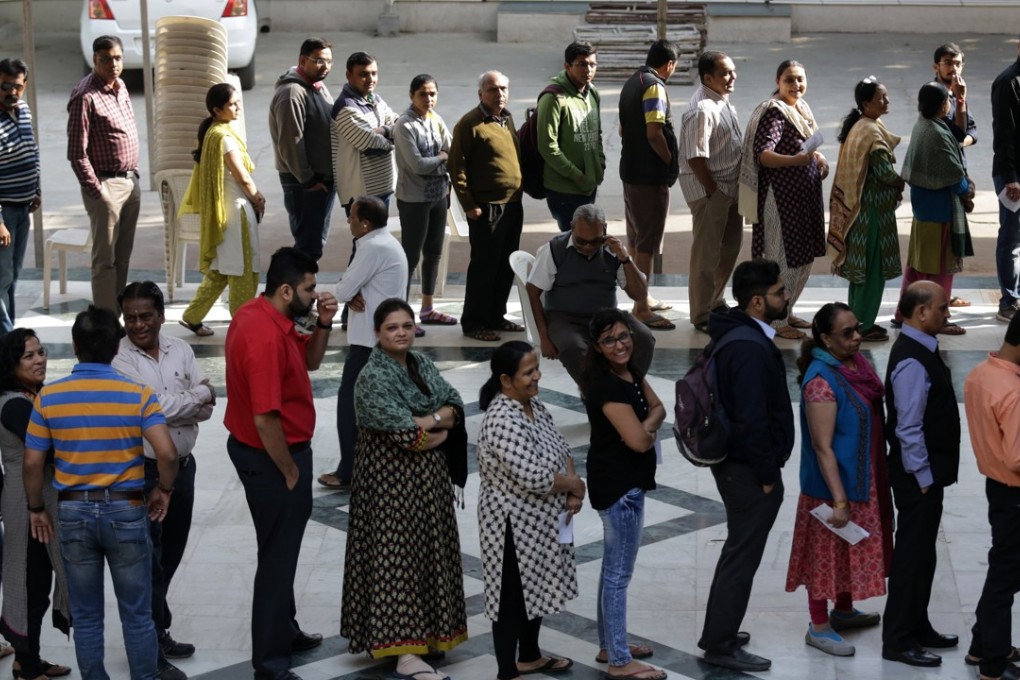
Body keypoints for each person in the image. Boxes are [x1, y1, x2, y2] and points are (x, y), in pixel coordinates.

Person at [24, 305, 178, 680]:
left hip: (74, 513)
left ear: (75, 346)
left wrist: (37, 509)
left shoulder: (49, 397)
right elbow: (168, 453)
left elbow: (32, 464)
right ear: (117, 345)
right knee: (137, 614)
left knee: (88, 616)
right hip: (126, 511)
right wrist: (164, 490)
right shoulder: (137, 393)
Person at [224, 247, 337, 679]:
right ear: (287, 289)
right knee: (276, 561)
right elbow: (265, 416)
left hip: (266, 452)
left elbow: (309, 361)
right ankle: (270, 664)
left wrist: (324, 322)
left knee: (280, 550)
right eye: (309, 289)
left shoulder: (262, 313)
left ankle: (285, 630)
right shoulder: (265, 336)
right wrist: (289, 469)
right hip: (271, 456)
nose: (314, 294)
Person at [341, 298, 468, 680]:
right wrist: (435, 426)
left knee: (428, 556)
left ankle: (427, 637)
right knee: (395, 562)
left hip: (428, 487)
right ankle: (404, 653)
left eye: (407, 325)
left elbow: (456, 405)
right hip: (388, 490)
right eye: (392, 327)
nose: (401, 332)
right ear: (377, 334)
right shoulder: (373, 377)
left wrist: (429, 421)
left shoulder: (422, 364)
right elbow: (407, 437)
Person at [113, 281, 215, 679]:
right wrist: (196, 397)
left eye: (145, 316)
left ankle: (158, 629)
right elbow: (151, 409)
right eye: (131, 317)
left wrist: (184, 403)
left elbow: (206, 409)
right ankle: (150, 648)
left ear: (161, 315)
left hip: (183, 467)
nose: (137, 325)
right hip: (143, 471)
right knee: (147, 561)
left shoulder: (182, 349)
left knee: (169, 555)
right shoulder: (119, 358)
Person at [700, 258, 794, 673]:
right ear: (757, 302)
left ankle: (718, 631)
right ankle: (720, 643)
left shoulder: (737, 332)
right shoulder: (749, 348)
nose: (786, 297)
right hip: (747, 472)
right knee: (742, 557)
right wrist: (769, 478)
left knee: (737, 552)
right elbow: (752, 421)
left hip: (738, 466)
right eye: (779, 292)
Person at [786, 302, 893, 657]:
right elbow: (822, 446)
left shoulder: (855, 365)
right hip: (831, 489)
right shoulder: (821, 382)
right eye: (847, 333)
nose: (857, 337)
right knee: (825, 556)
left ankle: (843, 611)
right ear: (826, 339)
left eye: (857, 328)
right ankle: (818, 626)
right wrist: (840, 501)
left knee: (847, 547)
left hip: (859, 476)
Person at [476, 341, 583, 679]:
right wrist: (573, 486)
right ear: (506, 380)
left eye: (536, 369)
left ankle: (531, 656)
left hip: (539, 520)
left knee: (534, 586)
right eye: (528, 372)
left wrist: (571, 484)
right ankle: (507, 670)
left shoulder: (533, 405)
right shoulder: (502, 419)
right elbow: (535, 478)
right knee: (511, 598)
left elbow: (561, 446)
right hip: (510, 523)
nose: (537, 376)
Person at [579, 309, 667, 680]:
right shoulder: (606, 385)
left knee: (613, 569)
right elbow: (635, 441)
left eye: (624, 335)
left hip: (627, 481)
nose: (620, 344)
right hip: (618, 487)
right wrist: (645, 434)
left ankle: (609, 643)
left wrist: (645, 430)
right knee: (618, 574)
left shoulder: (629, 373)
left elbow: (659, 408)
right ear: (597, 348)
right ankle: (618, 660)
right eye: (610, 340)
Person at [882, 281, 961, 668]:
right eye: (942, 308)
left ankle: (918, 624)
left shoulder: (923, 348)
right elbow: (908, 427)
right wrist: (925, 477)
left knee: (923, 555)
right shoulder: (912, 359)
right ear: (921, 313)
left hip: (926, 477)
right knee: (911, 557)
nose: (947, 314)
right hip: (918, 479)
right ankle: (897, 638)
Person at [317, 195, 408, 491]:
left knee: (350, 405)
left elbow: (342, 290)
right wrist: (354, 291)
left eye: (352, 217)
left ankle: (348, 472)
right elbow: (351, 289)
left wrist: (348, 292)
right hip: (381, 338)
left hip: (369, 342)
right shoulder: (385, 242)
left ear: (365, 224)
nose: (348, 221)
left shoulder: (371, 246)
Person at [739, 60, 828, 340]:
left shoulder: (801, 108)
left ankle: (786, 310)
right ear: (778, 81)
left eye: (800, 79)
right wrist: (794, 160)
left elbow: (808, 144)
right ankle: (774, 321)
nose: (796, 85)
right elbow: (763, 154)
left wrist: (818, 158)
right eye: (789, 79)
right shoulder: (774, 113)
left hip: (803, 198)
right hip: (780, 199)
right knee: (782, 259)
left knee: (803, 259)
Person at [0, 329, 70, 680]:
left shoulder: (32, 396)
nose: (40, 359)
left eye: (41, 352)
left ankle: (25, 659)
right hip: (25, 503)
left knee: (38, 583)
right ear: (12, 364)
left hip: (37, 501)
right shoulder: (15, 403)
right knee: (30, 583)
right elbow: (46, 450)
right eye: (29, 355)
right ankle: (27, 667)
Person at [525, 204, 655, 386]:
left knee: (643, 338)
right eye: (581, 241)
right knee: (573, 348)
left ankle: (629, 387)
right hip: (565, 319)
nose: (587, 247)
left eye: (595, 241)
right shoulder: (554, 250)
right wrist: (543, 336)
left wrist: (625, 259)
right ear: (571, 227)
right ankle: (599, 397)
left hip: (606, 317)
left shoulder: (613, 251)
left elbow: (640, 295)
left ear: (605, 230)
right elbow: (533, 290)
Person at [178, 83, 264, 337]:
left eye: (238, 102)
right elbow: (243, 178)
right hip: (235, 214)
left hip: (222, 215)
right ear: (217, 110)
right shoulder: (224, 138)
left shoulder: (214, 132)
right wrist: (258, 198)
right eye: (232, 104)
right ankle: (244, 324)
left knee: (220, 271)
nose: (237, 107)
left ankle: (191, 316)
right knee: (242, 272)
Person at [448, 70, 526, 342]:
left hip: (512, 204)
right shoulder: (470, 124)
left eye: (503, 88)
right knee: (484, 266)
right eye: (493, 89)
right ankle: (474, 322)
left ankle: (496, 316)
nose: (499, 93)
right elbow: (456, 166)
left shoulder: (506, 118)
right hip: (487, 207)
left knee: (506, 265)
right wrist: (469, 205)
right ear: (480, 93)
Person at [964, 312, 1020, 680]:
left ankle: (982, 645)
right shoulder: (1013, 393)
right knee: (1005, 578)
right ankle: (993, 665)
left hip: (996, 489)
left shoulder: (980, 374)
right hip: (1015, 495)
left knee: (1003, 569)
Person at [827, 77, 904, 342]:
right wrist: (904, 179)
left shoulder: (863, 125)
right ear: (866, 103)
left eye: (886, 96)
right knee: (872, 272)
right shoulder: (870, 131)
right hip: (872, 215)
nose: (887, 100)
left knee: (859, 272)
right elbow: (884, 172)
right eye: (881, 97)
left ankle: (855, 319)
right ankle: (863, 324)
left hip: (858, 212)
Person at [893, 82, 974, 336]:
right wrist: (967, 191)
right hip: (940, 213)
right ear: (942, 105)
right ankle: (940, 318)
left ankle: (902, 314)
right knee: (941, 269)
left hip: (923, 210)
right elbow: (952, 172)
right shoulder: (937, 133)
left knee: (917, 267)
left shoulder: (922, 125)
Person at [67, 35, 140, 313]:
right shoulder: (85, 95)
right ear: (94, 59)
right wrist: (98, 192)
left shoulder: (120, 86)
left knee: (122, 259)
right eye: (106, 59)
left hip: (130, 180)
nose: (113, 64)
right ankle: (105, 324)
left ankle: (119, 317)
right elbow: (76, 153)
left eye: (118, 57)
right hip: (105, 184)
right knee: (104, 261)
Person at [679, 51, 744, 334]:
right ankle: (702, 313)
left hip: (728, 189)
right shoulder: (702, 108)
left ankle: (715, 301)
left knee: (729, 247)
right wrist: (714, 191)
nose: (731, 78)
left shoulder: (721, 100)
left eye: (732, 71)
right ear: (708, 78)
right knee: (706, 255)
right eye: (725, 73)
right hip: (710, 191)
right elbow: (695, 157)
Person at [618, 39, 678, 330]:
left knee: (635, 237)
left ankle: (643, 295)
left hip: (629, 172)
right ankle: (641, 307)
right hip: (648, 176)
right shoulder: (654, 86)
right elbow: (655, 132)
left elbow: (622, 128)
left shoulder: (632, 82)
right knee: (647, 242)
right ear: (669, 65)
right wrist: (668, 160)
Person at [394, 73, 455, 336]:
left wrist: (442, 157)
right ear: (411, 96)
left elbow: (451, 150)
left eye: (432, 94)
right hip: (414, 199)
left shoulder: (436, 119)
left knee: (434, 253)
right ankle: (402, 315)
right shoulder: (405, 126)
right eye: (422, 94)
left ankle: (428, 309)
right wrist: (441, 157)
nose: (428, 99)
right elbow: (417, 165)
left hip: (438, 195)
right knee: (410, 256)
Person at [268, 37, 335, 261]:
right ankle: (294, 292)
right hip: (304, 183)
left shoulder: (318, 86)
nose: (325, 66)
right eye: (319, 61)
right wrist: (308, 180)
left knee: (314, 243)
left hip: (319, 181)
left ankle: (301, 292)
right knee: (308, 247)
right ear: (303, 61)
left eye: (329, 61)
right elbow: (290, 143)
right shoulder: (292, 94)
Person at [538, 41, 605, 233]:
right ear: (567, 66)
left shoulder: (592, 92)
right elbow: (547, 146)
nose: (588, 70)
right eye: (582, 64)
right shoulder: (553, 97)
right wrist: (576, 175)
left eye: (592, 65)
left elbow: (597, 132)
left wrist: (599, 163)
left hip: (588, 184)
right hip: (565, 189)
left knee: (588, 243)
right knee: (573, 243)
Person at [931, 42, 977, 310]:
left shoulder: (959, 91)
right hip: (944, 178)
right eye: (948, 63)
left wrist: (964, 140)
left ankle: (944, 296)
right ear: (936, 66)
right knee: (940, 244)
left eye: (958, 63)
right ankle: (935, 300)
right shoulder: (934, 94)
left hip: (958, 168)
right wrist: (962, 137)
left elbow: (969, 131)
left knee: (952, 241)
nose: (954, 68)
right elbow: (956, 133)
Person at [331, 51, 399, 216]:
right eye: (363, 74)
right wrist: (396, 138)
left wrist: (383, 130)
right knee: (365, 239)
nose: (370, 79)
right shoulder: (346, 108)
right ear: (349, 75)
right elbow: (371, 145)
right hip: (363, 191)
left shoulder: (375, 99)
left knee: (377, 238)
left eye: (373, 73)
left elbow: (400, 123)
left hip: (383, 185)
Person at [0, 58, 40, 335]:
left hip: (23, 208)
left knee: (12, 278)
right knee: (1, 280)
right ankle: (6, 342)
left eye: (16, 86)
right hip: (4, 213)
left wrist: (36, 190)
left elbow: (32, 152)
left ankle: (9, 335)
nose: (10, 92)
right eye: (4, 86)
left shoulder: (22, 110)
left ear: (24, 86)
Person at [991, 36, 1020, 323]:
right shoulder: (1008, 82)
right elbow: (1004, 133)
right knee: (1011, 238)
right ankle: (1008, 300)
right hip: (1012, 175)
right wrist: (1011, 178)